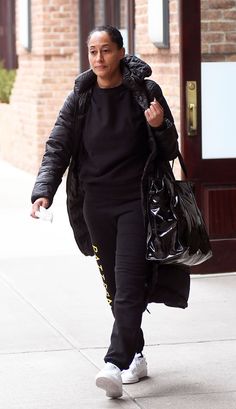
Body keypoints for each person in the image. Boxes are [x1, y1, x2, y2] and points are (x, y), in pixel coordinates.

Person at [31, 25, 190, 399]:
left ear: (120, 52)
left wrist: (158, 126)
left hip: (137, 203)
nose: (99, 59)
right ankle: (135, 353)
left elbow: (169, 148)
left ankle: (114, 364)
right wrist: (43, 191)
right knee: (117, 288)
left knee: (130, 282)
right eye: (92, 51)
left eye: (105, 50)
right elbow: (58, 146)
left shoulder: (144, 93)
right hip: (96, 206)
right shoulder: (80, 98)